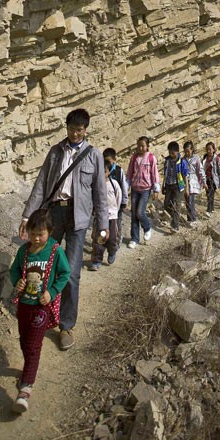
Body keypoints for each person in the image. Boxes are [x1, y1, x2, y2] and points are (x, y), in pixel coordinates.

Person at [19, 108, 108, 351]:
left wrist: (102, 225)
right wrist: (27, 216)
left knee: (71, 273)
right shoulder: (56, 152)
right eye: (71, 128)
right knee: (42, 265)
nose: (75, 133)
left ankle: (66, 325)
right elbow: (40, 185)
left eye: (79, 129)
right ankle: (40, 313)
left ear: (86, 129)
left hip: (78, 218)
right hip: (53, 215)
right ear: (66, 127)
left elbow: (100, 194)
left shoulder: (94, 156)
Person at [10, 208, 71, 412]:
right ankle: (29, 369)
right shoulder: (24, 251)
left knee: (34, 344)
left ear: (50, 232)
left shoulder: (55, 251)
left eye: (41, 234)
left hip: (42, 307)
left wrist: (52, 292)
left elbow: (64, 273)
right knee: (24, 339)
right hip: (25, 304)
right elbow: (15, 270)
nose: (36, 238)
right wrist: (17, 282)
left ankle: (26, 388)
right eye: (33, 233)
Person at [126, 136, 161, 247]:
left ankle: (147, 227)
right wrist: (127, 185)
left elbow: (154, 173)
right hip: (135, 188)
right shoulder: (134, 157)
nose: (140, 148)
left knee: (140, 212)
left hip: (146, 189)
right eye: (138, 146)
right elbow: (130, 171)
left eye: (143, 146)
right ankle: (134, 239)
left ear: (147, 147)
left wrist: (156, 188)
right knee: (133, 215)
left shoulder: (151, 158)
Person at [89, 161, 122, 270]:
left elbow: (118, 197)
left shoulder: (114, 184)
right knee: (99, 239)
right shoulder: (95, 185)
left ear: (109, 172)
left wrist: (114, 211)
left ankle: (112, 251)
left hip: (112, 217)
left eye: (105, 171)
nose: (102, 174)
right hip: (100, 217)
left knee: (112, 238)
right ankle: (97, 261)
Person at [102, 147, 129, 248]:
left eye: (108, 161)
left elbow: (123, 186)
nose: (106, 163)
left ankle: (116, 241)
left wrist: (124, 201)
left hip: (117, 203)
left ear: (114, 160)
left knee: (116, 223)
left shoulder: (118, 171)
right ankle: (104, 242)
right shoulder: (102, 171)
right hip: (105, 204)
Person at [161, 141, 187, 232]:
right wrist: (163, 185)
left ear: (177, 151)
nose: (171, 154)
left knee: (176, 204)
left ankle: (175, 226)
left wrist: (186, 188)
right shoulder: (167, 160)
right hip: (168, 184)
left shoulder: (182, 161)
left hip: (178, 185)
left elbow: (185, 175)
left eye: (172, 152)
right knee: (167, 203)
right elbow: (165, 174)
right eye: (170, 152)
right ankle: (171, 219)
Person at [182, 140, 206, 226]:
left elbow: (200, 170)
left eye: (188, 151)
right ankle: (189, 219)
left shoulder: (196, 158)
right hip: (185, 181)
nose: (187, 153)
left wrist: (204, 181)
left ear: (192, 150)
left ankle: (193, 219)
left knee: (191, 200)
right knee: (187, 201)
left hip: (193, 181)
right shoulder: (183, 159)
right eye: (185, 152)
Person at [203, 142, 220, 216]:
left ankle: (209, 210)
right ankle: (212, 208)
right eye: (207, 149)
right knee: (209, 194)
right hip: (207, 179)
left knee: (210, 194)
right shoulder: (205, 158)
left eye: (210, 149)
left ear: (213, 149)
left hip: (213, 179)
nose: (208, 151)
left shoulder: (216, 158)